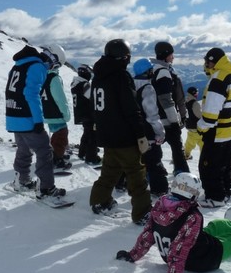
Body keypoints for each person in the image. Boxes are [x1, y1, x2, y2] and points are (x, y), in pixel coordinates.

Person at [89, 39, 151, 224]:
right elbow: (131, 108)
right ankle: (143, 213)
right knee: (136, 175)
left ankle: (99, 201)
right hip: (124, 136)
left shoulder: (98, 76)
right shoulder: (121, 76)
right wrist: (140, 134)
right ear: (123, 56)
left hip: (106, 134)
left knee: (110, 170)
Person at [5, 44, 66, 203]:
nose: (52, 67)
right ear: (52, 57)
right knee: (44, 150)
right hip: (27, 117)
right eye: (56, 64)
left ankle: (22, 180)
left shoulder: (18, 65)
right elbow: (31, 94)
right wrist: (38, 120)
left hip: (14, 116)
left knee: (24, 149)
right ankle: (46, 188)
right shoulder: (37, 66)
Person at [197, 47, 231, 207]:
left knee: (208, 166)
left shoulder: (217, 80)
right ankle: (225, 192)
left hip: (217, 131)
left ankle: (215, 197)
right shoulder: (227, 74)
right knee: (223, 165)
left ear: (213, 61)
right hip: (227, 130)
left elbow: (211, 111)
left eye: (207, 61)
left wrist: (202, 126)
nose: (205, 64)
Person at [133, 57, 169, 197]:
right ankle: (159, 188)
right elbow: (152, 114)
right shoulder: (147, 88)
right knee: (154, 159)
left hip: (136, 130)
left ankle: (125, 183)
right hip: (148, 131)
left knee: (138, 160)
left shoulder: (131, 85)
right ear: (147, 71)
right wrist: (160, 132)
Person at [152, 41, 189, 175]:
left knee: (154, 149)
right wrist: (175, 120)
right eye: (172, 54)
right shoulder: (164, 73)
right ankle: (182, 174)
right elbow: (166, 99)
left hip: (155, 118)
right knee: (177, 149)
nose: (173, 57)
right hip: (166, 119)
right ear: (166, 55)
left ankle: (152, 173)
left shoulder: (154, 70)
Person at [40, 44, 71, 170]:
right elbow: (60, 98)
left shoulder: (41, 76)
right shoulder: (54, 78)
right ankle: (56, 160)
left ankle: (55, 154)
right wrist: (66, 114)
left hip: (46, 113)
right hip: (56, 113)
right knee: (61, 136)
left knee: (56, 136)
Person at [70, 64, 101, 164]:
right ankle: (91, 157)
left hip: (80, 113)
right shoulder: (84, 84)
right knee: (93, 135)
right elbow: (92, 98)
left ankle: (82, 152)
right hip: (88, 113)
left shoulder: (75, 83)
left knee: (87, 133)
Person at [184, 86, 202, 160]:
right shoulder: (195, 103)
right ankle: (204, 157)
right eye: (196, 93)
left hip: (190, 126)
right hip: (197, 127)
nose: (197, 94)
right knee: (202, 143)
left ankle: (186, 154)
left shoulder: (186, 102)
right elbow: (199, 115)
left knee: (189, 143)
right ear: (193, 93)